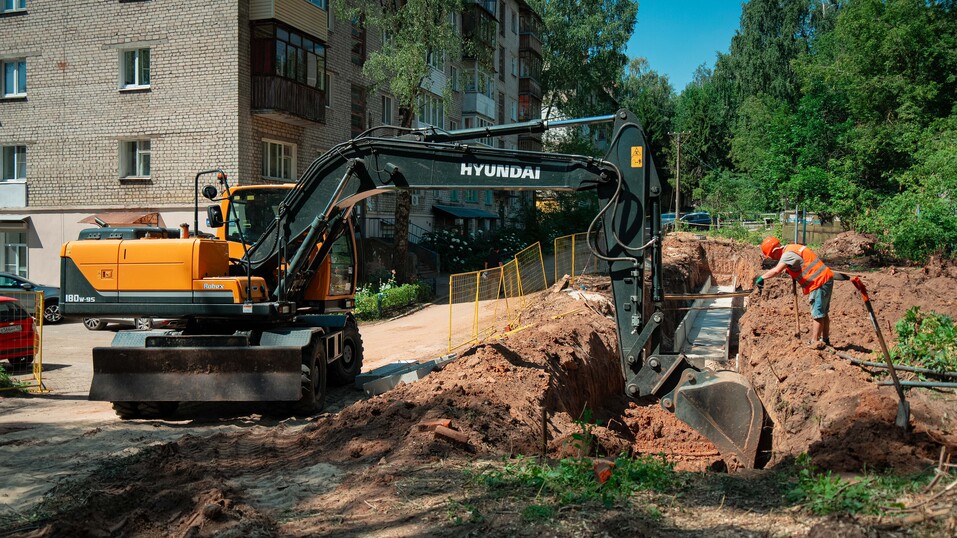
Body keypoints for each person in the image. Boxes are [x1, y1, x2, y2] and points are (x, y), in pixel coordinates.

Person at [755, 236, 834, 349]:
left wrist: (762, 277)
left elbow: (777, 270)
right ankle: (825, 340)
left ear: (775, 250)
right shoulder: (792, 248)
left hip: (818, 281)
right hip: (824, 278)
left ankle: (815, 342)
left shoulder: (787, 255)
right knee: (823, 312)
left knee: (817, 313)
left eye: (772, 256)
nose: (774, 258)